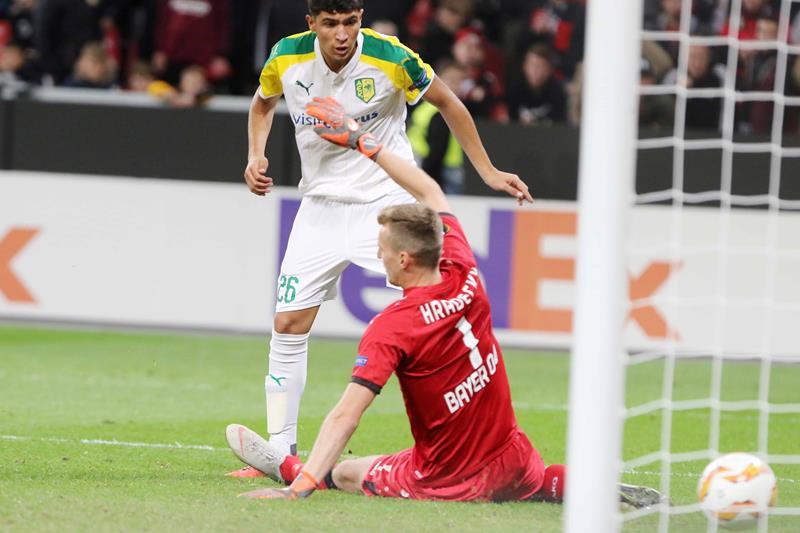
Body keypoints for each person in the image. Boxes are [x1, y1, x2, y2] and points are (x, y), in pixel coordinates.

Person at [227, 97, 664, 510]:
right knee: (534, 478)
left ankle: (292, 471)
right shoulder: (463, 266)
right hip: (512, 454)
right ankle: (582, 483)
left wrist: (297, 491)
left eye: (382, 248)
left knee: (347, 472)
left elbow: (347, 416)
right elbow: (431, 191)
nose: (376, 254)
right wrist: (362, 140)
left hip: (450, 478)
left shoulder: (393, 326)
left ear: (404, 259)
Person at [228, 0, 533, 477]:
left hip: (386, 203)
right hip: (320, 206)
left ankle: (471, 441)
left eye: (350, 22)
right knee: (287, 325)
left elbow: (448, 102)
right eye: (331, 24)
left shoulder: (391, 57)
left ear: (361, 19)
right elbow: (263, 102)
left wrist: (488, 171)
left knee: (441, 312)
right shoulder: (286, 56)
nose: (342, 34)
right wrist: (255, 153)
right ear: (312, 24)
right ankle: (280, 451)